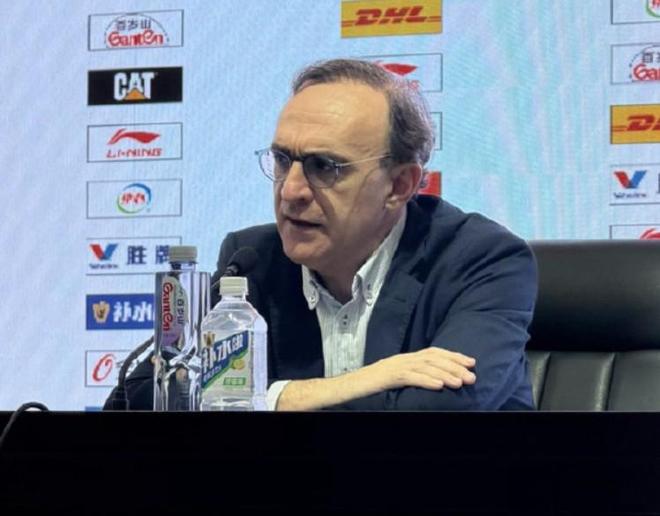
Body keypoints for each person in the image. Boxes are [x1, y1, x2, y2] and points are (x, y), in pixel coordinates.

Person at [107, 58, 537, 411]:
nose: (290, 191)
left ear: (399, 185)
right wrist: (366, 379)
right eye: (282, 160)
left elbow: (435, 414)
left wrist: (254, 401)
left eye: (324, 167)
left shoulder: (481, 260)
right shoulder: (253, 259)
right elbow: (147, 395)